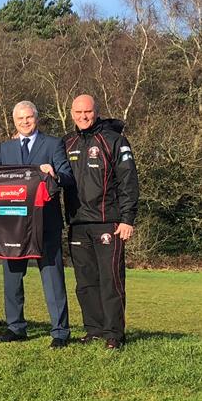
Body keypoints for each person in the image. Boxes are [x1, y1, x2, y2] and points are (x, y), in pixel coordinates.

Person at [0, 100, 74, 348]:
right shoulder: (5, 149)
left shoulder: (53, 144)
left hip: (45, 224)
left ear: (36, 118)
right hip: (12, 224)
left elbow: (68, 177)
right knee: (12, 278)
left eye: (29, 118)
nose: (25, 122)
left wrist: (54, 175)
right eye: (20, 119)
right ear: (13, 121)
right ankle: (16, 327)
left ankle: (60, 331)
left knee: (53, 278)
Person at [63, 94, 138, 349]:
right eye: (78, 112)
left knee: (111, 279)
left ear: (96, 112)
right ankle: (93, 329)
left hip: (110, 222)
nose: (83, 117)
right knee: (85, 281)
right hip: (78, 223)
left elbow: (129, 182)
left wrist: (127, 219)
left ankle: (114, 333)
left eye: (88, 112)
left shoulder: (114, 141)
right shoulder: (67, 142)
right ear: (71, 113)